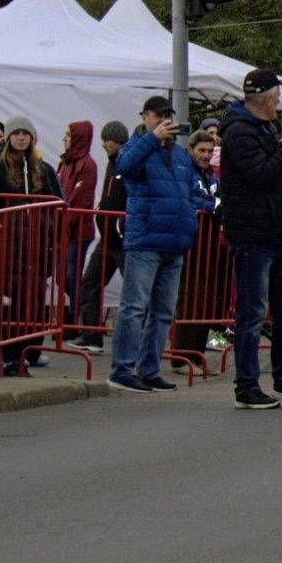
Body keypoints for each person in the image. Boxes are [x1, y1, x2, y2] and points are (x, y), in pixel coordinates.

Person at [219, 69, 282, 410]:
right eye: (277, 95)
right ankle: (246, 385)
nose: (280, 102)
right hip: (253, 233)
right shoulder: (239, 131)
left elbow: (269, 165)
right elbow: (260, 173)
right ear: (266, 98)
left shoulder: (260, 128)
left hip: (274, 232)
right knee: (252, 312)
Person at [104, 97, 199, 393]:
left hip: (174, 242)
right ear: (145, 117)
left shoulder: (181, 155)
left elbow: (193, 188)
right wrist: (150, 139)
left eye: (166, 115)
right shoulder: (136, 146)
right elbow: (125, 167)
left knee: (162, 312)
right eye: (156, 115)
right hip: (145, 240)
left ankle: (149, 368)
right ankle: (122, 369)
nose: (162, 120)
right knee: (134, 307)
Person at [0, 116, 64, 374]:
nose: (20, 137)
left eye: (24, 133)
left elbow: (58, 203)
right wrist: (5, 225)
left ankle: (28, 352)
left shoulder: (42, 168)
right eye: (15, 133)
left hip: (37, 247)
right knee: (12, 302)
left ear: (31, 138)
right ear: (9, 137)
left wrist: (48, 228)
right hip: (10, 246)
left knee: (36, 303)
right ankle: (9, 356)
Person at [67, 121, 129, 354]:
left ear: (116, 141)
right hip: (109, 236)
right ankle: (92, 334)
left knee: (132, 289)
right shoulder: (113, 164)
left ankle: (136, 337)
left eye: (107, 140)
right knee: (90, 282)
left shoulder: (123, 164)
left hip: (119, 236)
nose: (103, 144)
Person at [170, 130, 223, 366]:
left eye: (210, 151)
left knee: (204, 302)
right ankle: (182, 357)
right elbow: (188, 198)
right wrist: (214, 206)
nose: (206, 155)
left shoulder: (210, 175)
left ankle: (197, 354)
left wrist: (218, 203)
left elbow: (218, 195)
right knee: (190, 301)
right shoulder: (185, 172)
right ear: (190, 149)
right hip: (191, 245)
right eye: (202, 150)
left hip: (209, 247)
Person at [57, 121, 98, 326]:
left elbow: (79, 198)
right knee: (62, 275)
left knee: (72, 275)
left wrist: (62, 223)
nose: (64, 138)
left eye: (68, 135)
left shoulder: (87, 165)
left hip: (79, 230)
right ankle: (76, 314)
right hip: (65, 230)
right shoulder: (65, 163)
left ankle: (75, 319)